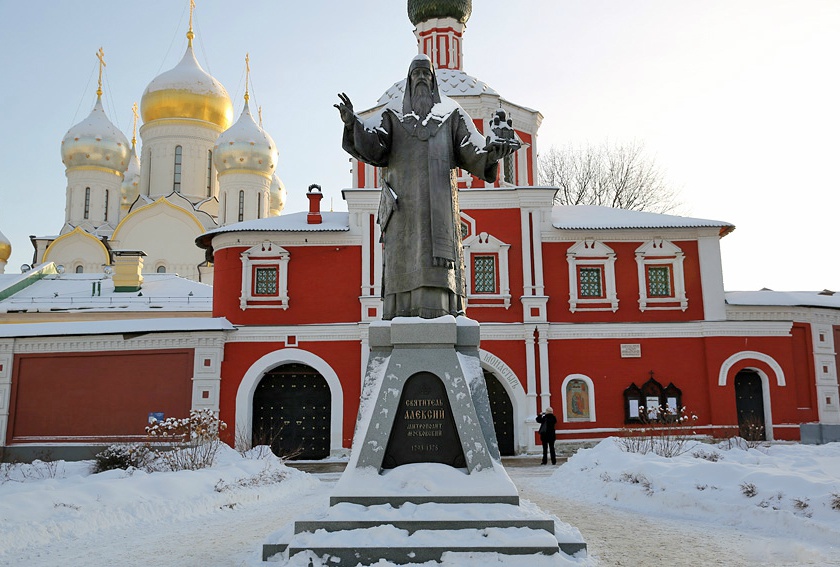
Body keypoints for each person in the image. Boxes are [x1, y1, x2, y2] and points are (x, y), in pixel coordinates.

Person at [336, 54, 520, 319]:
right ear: (409, 81)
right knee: (403, 256)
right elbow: (374, 148)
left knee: (437, 260)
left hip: (440, 205)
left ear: (433, 81)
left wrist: (492, 153)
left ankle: (440, 313)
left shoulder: (451, 115)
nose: (421, 78)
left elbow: (473, 150)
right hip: (402, 207)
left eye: (426, 74)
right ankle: (401, 314)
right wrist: (352, 122)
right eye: (416, 74)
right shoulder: (392, 115)